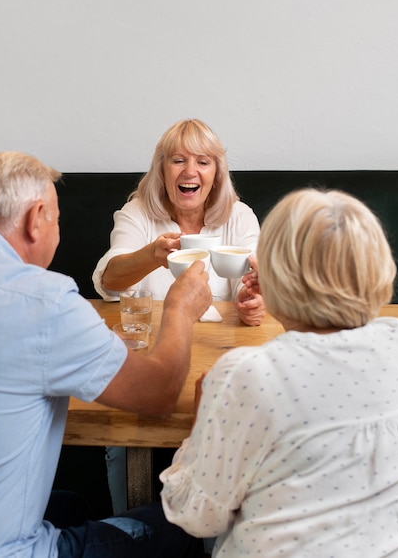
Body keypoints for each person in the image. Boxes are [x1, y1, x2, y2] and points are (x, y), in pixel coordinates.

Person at [0, 151, 212, 558]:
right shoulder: (42, 300)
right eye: (57, 219)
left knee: (71, 505)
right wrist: (180, 310)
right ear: (35, 218)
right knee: (183, 527)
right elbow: (159, 392)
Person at [160, 188, 398, 557]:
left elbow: (196, 516)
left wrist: (200, 428)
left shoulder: (247, 375)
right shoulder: (396, 342)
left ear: (278, 272)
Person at [91, 119, 265, 516]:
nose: (190, 171)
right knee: (119, 432)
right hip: (151, 358)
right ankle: (128, 530)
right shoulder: (137, 214)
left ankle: (211, 535)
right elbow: (109, 279)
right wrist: (152, 254)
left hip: (218, 364)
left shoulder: (239, 217)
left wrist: (254, 300)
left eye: (203, 161)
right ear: (162, 170)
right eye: (178, 161)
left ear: (216, 172)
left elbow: (253, 281)